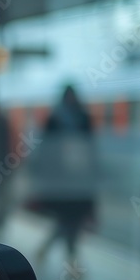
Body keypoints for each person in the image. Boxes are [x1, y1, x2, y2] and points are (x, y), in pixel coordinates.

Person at [29, 84, 98, 267]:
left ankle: (52, 252)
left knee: (68, 221)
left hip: (77, 182)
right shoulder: (74, 119)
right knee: (70, 221)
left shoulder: (63, 119)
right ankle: (72, 262)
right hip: (65, 182)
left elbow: (91, 151)